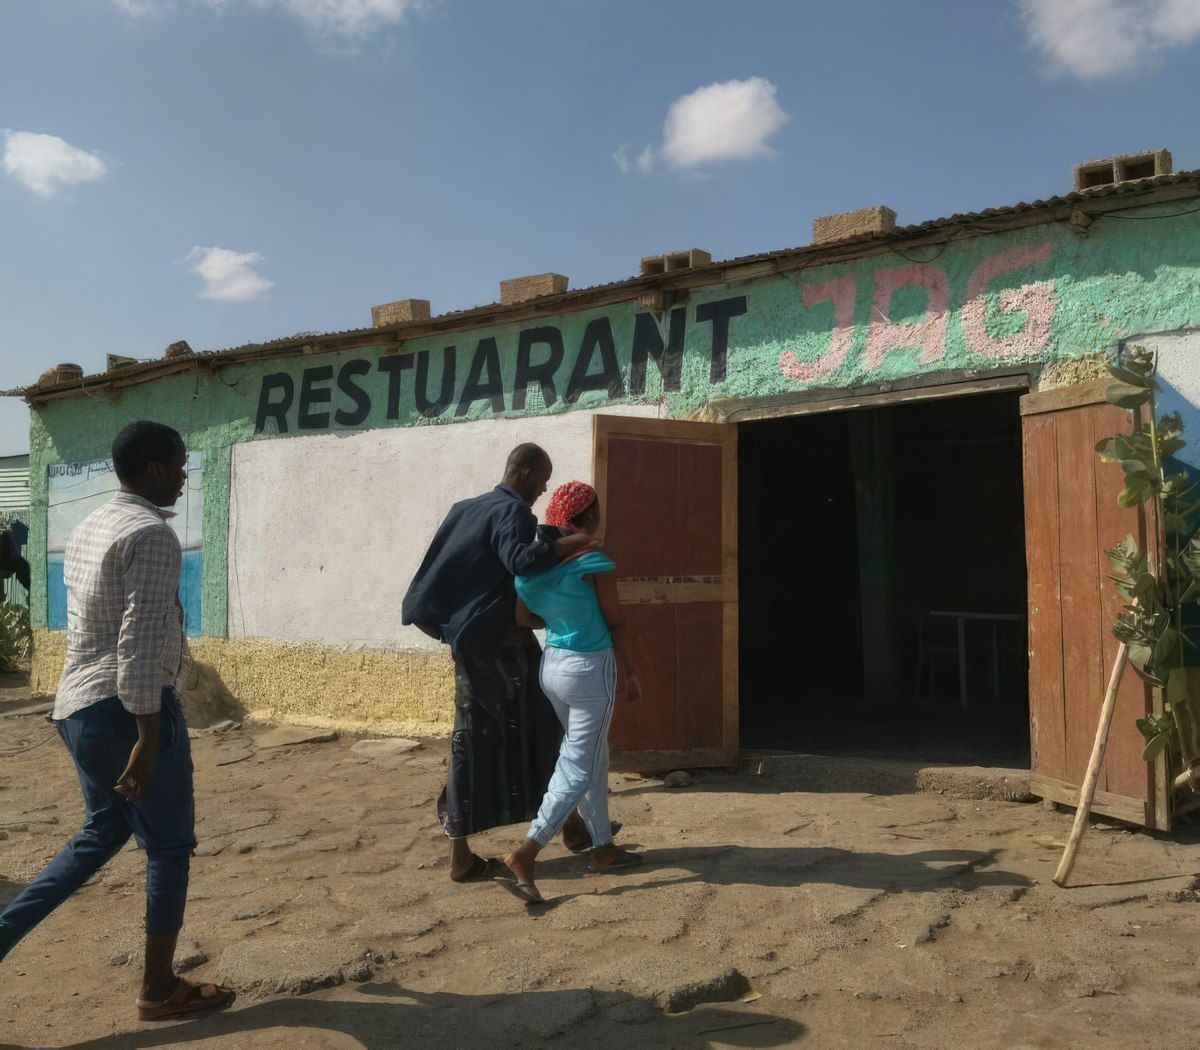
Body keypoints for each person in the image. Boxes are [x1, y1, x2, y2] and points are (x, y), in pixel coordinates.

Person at [0, 422, 234, 1022]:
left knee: (101, 833)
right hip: (126, 709)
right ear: (155, 469)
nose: (185, 476)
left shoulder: (92, 525)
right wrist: (150, 738)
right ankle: (159, 991)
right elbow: (139, 639)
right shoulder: (153, 535)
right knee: (170, 846)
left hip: (77, 704)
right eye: (180, 465)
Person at [402, 444, 615, 883]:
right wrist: (579, 540)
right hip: (498, 647)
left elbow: (449, 572)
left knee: (513, 733)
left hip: (474, 642)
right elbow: (519, 558)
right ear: (524, 472)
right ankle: (468, 855)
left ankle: (570, 827)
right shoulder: (512, 512)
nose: (544, 487)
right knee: (511, 736)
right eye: (543, 477)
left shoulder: (467, 509)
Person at [498, 480, 642, 904]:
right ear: (589, 517)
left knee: (593, 756)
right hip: (591, 667)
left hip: (553, 665)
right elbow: (615, 620)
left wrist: (563, 616)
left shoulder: (530, 567)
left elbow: (525, 619)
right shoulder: (594, 558)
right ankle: (528, 851)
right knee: (578, 764)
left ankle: (603, 849)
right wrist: (631, 671)